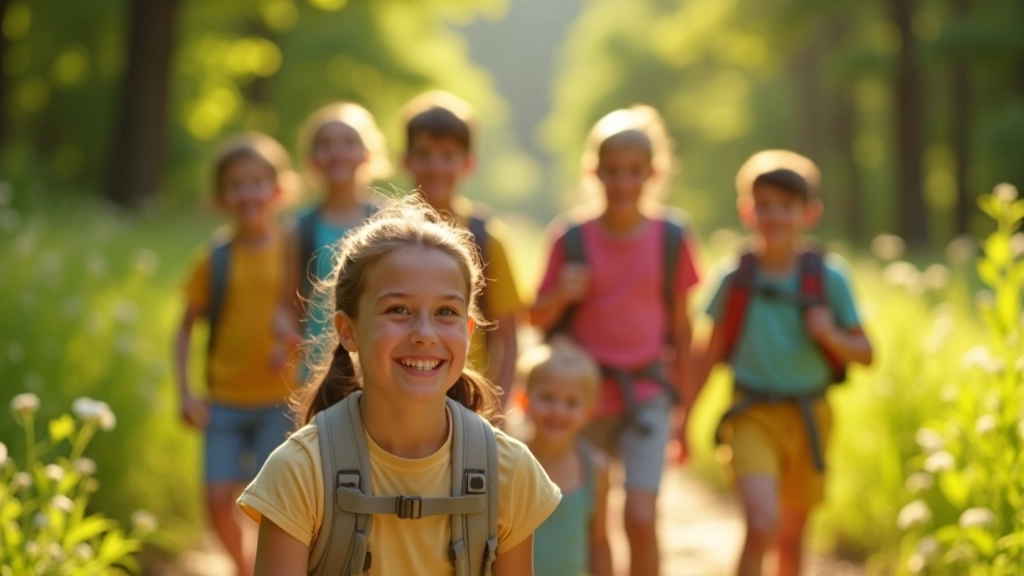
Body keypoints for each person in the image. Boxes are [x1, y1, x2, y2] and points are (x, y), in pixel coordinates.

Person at [238, 198, 561, 575]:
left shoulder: (510, 472)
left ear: (468, 331)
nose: (425, 334)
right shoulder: (299, 472)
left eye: (446, 312)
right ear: (349, 330)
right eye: (398, 310)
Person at [530, 105, 701, 576]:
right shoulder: (571, 237)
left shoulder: (672, 237)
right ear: (594, 171)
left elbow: (683, 330)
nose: (623, 183)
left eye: (634, 172)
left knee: (641, 516)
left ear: (654, 173)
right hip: (581, 399)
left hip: (647, 394)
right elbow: (536, 316)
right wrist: (562, 292)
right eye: (612, 171)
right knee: (584, 517)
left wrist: (685, 411)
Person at [691, 150, 874, 576]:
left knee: (791, 540)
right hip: (751, 415)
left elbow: (866, 353)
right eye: (765, 205)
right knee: (761, 525)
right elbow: (708, 353)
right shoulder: (734, 278)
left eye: (787, 207)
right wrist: (684, 417)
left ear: (809, 213)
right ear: (747, 211)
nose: (775, 216)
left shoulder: (829, 278)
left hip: (811, 418)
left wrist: (831, 334)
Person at [175, 132, 299, 576]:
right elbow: (185, 327)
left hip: (278, 401)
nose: (248, 193)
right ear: (222, 196)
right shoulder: (215, 258)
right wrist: (187, 393)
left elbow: (311, 321)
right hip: (223, 401)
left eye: (257, 181)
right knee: (215, 498)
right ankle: (243, 568)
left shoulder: (293, 249)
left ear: (278, 189)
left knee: (271, 504)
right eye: (236, 184)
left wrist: (290, 342)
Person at [400, 91, 521, 407]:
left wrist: (498, 409)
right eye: (425, 154)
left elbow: (509, 337)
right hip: (398, 395)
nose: (435, 166)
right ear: (406, 160)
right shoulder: (387, 235)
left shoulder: (487, 237)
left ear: (467, 163)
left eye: (448, 156)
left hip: (466, 400)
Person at [273, 102, 391, 380]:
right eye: (326, 144)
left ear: (367, 154)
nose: (337, 152)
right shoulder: (298, 228)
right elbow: (285, 305)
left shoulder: (388, 220)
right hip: (318, 371)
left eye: (348, 142)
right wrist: (285, 335)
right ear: (312, 159)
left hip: (379, 367)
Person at [519, 341, 612, 576]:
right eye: (547, 398)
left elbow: (599, 542)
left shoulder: (595, 468)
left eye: (571, 403)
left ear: (589, 411)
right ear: (524, 400)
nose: (558, 411)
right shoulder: (510, 461)